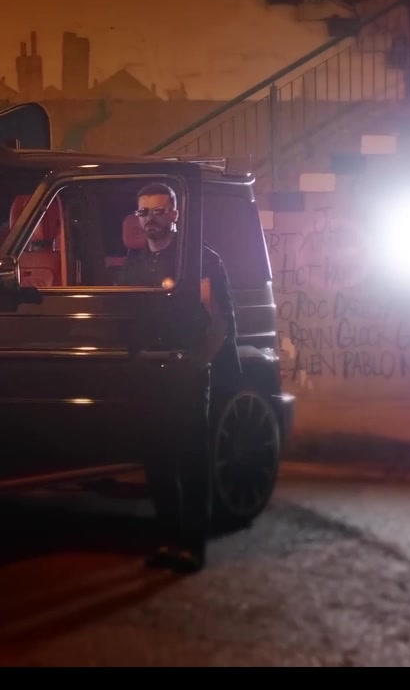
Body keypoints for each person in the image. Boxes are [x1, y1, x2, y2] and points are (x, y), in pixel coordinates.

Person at [118, 182, 241, 574]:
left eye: (158, 211)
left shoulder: (199, 260)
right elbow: (125, 319)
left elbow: (219, 320)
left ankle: (192, 546)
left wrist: (198, 363)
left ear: (174, 214)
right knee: (157, 460)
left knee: (191, 460)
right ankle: (169, 541)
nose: (150, 220)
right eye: (143, 212)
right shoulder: (134, 265)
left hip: (186, 370)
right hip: (148, 373)